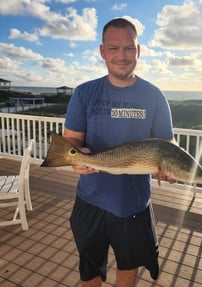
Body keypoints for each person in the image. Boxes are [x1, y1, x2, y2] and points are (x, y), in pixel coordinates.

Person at [64, 18, 176, 287]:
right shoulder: (84, 93)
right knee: (89, 271)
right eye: (114, 48)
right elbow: (71, 142)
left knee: (129, 266)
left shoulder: (154, 96)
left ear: (138, 51)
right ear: (103, 52)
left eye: (128, 48)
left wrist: (170, 167)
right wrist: (76, 159)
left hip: (134, 204)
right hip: (90, 200)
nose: (122, 56)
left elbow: (167, 146)